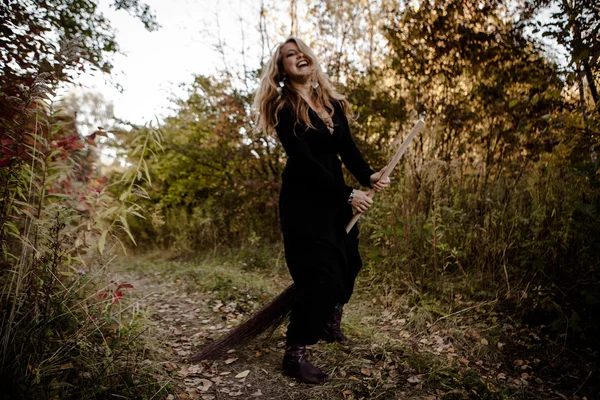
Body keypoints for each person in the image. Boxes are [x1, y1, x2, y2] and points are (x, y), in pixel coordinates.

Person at [252, 37, 389, 384]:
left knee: (349, 264)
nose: (298, 57)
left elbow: (348, 150)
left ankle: (329, 317)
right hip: (305, 204)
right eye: (289, 55)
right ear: (282, 69)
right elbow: (306, 163)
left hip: (335, 200)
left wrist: (368, 175)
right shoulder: (285, 108)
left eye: (301, 52)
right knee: (321, 276)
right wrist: (348, 194)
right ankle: (294, 354)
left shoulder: (332, 103)